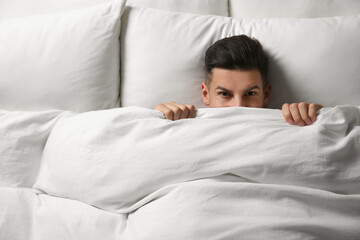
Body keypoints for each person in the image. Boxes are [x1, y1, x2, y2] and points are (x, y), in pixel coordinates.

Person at [155, 35, 323, 126]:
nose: (238, 106)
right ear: (206, 94)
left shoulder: (291, 124)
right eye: (224, 94)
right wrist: (156, 121)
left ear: (266, 94)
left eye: (250, 93)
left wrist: (318, 118)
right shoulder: (182, 125)